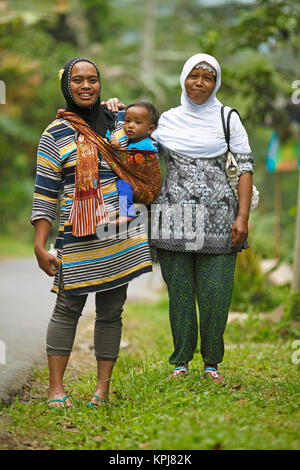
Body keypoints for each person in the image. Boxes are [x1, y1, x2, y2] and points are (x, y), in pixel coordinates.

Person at [105, 53, 254, 382]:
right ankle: (181, 362)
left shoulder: (228, 119)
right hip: (172, 219)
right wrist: (114, 114)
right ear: (184, 78)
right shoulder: (167, 121)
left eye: (208, 77)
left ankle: (212, 363)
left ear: (216, 83)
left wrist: (242, 217)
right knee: (181, 295)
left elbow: (245, 168)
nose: (200, 83)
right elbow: (130, 145)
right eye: (194, 76)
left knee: (216, 295)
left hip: (220, 221)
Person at [31, 57, 156, 408]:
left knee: (112, 310)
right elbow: (45, 193)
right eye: (78, 81)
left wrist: (120, 113)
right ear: (66, 86)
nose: (86, 86)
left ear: (101, 85)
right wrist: (41, 245)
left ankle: (101, 391)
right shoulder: (54, 135)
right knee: (67, 307)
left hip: (120, 233)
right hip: (77, 235)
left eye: (93, 80)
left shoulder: (119, 125)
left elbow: (146, 151)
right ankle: (56, 390)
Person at [106, 101, 159, 224]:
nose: (130, 125)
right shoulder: (134, 142)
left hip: (145, 186)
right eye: (127, 121)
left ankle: (126, 213)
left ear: (150, 129)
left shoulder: (146, 144)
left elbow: (133, 163)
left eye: (137, 122)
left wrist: (119, 149)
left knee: (122, 184)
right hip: (141, 185)